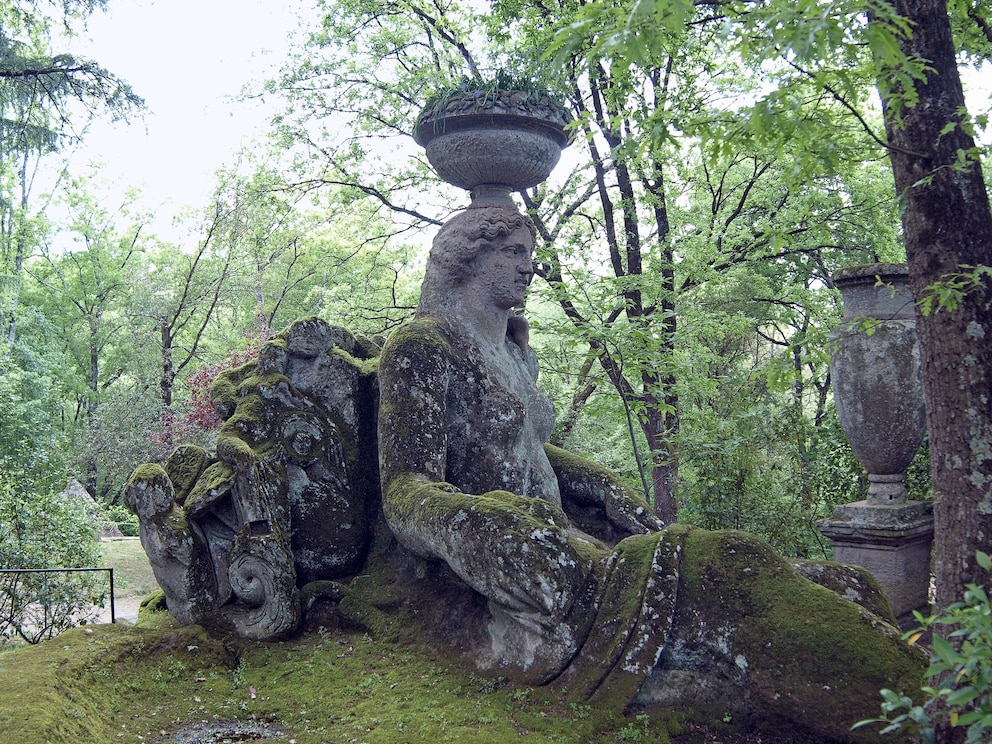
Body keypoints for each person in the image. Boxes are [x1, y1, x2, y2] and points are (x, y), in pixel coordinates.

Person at [376, 204, 661, 680]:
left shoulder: (514, 354)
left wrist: (604, 485)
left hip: (559, 535)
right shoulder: (424, 345)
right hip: (508, 558)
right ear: (469, 259)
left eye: (527, 254)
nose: (528, 267)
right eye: (512, 253)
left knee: (706, 566)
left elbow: (523, 446)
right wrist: (472, 523)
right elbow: (405, 489)